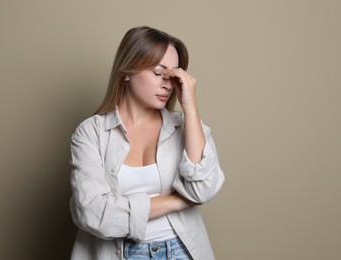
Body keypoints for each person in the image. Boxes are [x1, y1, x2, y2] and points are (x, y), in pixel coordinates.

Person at [69, 26, 225, 260]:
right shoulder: (91, 133)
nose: (167, 84)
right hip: (118, 254)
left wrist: (190, 106)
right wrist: (176, 201)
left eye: (172, 75)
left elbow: (202, 189)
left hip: (182, 251)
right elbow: (93, 214)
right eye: (157, 72)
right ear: (128, 71)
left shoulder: (186, 126)